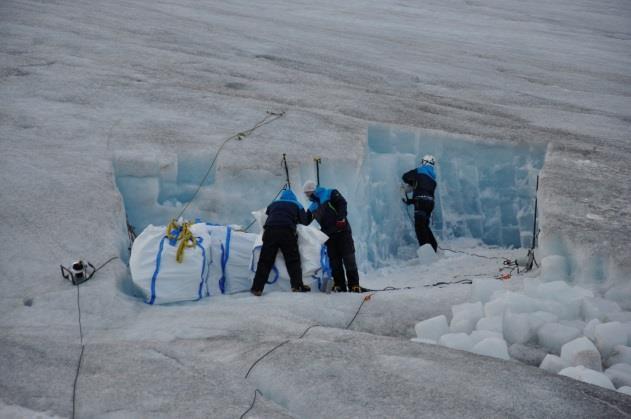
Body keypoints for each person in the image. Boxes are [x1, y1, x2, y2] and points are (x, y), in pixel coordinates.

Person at [303, 180, 362, 293]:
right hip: (329, 236)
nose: (307, 196)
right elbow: (305, 221)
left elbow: (342, 203)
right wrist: (297, 211)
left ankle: (354, 285)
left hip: (342, 231)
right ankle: (340, 286)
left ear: (312, 191)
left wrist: (341, 218)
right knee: (335, 263)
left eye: (307, 193)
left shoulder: (330, 193)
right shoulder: (313, 207)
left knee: (349, 259)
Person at [251, 188, 311, 296]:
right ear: (294, 197)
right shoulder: (297, 204)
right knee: (292, 260)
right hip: (287, 232)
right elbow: (305, 221)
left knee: (265, 261)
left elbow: (267, 214)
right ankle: (297, 286)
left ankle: (257, 288)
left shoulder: (274, 204)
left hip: (270, 231)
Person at [402, 155, 438, 252]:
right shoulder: (432, 178)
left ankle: (427, 251)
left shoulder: (420, 170)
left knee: (419, 227)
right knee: (425, 225)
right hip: (430, 204)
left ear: (425, 162)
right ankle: (433, 246)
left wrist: (412, 183)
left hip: (421, 202)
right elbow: (425, 192)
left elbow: (405, 176)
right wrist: (411, 201)